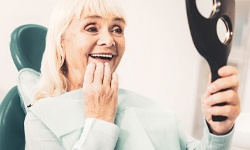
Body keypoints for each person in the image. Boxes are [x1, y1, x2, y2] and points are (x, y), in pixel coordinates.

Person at [24, 0, 240, 149]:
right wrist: (99, 120)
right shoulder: (42, 118)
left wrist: (218, 131)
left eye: (117, 29)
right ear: (61, 41)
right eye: (91, 28)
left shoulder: (154, 110)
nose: (109, 40)